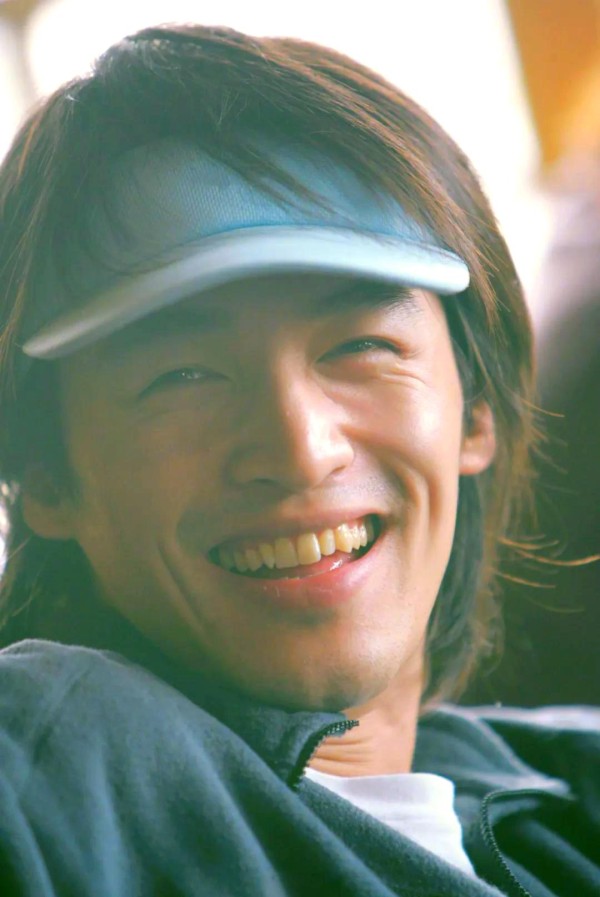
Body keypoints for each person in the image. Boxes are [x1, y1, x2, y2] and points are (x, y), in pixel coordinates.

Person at [0, 23, 597, 897]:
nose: (300, 450)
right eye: (182, 375)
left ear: (475, 410)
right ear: (47, 475)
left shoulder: (567, 787)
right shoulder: (51, 761)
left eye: (361, 344)